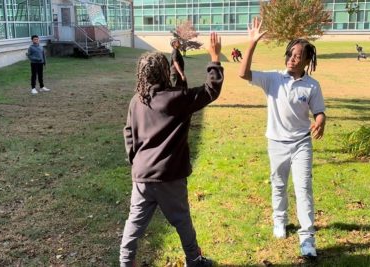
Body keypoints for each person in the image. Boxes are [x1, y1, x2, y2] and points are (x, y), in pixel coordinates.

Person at [120, 32, 223, 267]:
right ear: (163, 72)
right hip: (169, 177)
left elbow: (128, 132)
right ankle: (194, 260)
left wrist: (135, 161)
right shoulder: (175, 100)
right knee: (182, 220)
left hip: (142, 176)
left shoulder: (138, 100)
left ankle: (125, 262)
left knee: (134, 223)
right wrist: (214, 59)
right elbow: (210, 90)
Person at [239, 17, 326, 258]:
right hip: (276, 143)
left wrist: (320, 120)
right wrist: (252, 43)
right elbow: (243, 73)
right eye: (290, 53)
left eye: (298, 55)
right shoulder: (273, 79)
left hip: (301, 145)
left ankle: (307, 238)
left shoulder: (312, 85)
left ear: (307, 61)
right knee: (278, 185)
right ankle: (280, 220)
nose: (292, 58)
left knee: (303, 188)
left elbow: (319, 111)